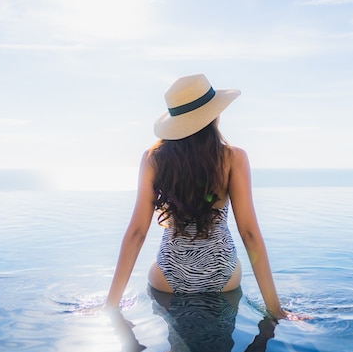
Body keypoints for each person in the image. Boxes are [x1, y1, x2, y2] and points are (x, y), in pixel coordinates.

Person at [105, 73, 289, 320]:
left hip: (169, 278)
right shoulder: (234, 158)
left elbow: (137, 233)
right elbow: (249, 234)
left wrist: (110, 306)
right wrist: (275, 310)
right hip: (222, 277)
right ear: (214, 114)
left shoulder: (153, 159)